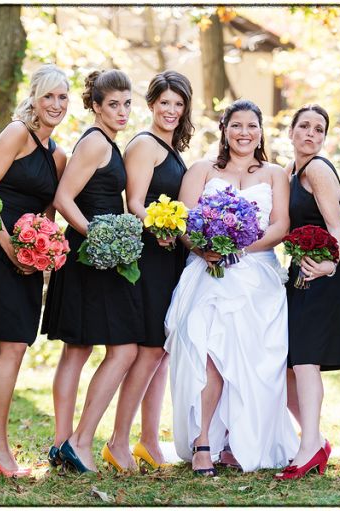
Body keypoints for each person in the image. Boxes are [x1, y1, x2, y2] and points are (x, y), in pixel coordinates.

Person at [164, 99, 298, 475]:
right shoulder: (202, 169)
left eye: (251, 126)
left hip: (258, 278)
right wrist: (204, 249)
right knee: (207, 349)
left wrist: (239, 247)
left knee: (250, 360)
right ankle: (203, 441)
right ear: (224, 130)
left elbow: (280, 225)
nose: (244, 133)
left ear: (261, 131)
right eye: (236, 125)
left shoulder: (275, 174)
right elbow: (184, 220)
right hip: (208, 273)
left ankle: (239, 441)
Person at [0, 64, 69, 477]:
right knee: (12, 347)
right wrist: (10, 248)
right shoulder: (17, 133)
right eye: (48, 96)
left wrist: (43, 253)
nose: (55, 104)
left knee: (7, 348)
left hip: (27, 262)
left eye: (62, 97)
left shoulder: (59, 155)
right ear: (33, 99)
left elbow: (49, 215)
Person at [40, 69, 139, 473]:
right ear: (96, 106)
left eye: (127, 103)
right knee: (116, 349)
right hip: (91, 255)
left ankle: (65, 444)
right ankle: (74, 442)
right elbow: (63, 198)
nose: (122, 111)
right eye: (113, 104)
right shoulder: (96, 141)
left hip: (102, 256)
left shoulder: (108, 142)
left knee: (80, 350)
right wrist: (97, 235)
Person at [105, 71, 193, 472]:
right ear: (152, 104)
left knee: (162, 351)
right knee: (149, 349)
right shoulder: (143, 143)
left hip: (170, 255)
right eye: (164, 103)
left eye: (178, 104)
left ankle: (149, 440)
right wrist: (161, 227)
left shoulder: (171, 147)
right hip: (150, 255)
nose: (171, 110)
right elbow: (135, 203)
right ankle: (118, 441)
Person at [278, 104, 340, 480]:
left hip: (326, 273)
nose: (311, 134)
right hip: (300, 273)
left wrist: (329, 265)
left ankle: (308, 448)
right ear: (291, 132)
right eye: (304, 126)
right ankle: (316, 441)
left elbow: (337, 229)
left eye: (319, 129)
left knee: (304, 361)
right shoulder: (289, 171)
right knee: (288, 364)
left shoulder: (317, 169)